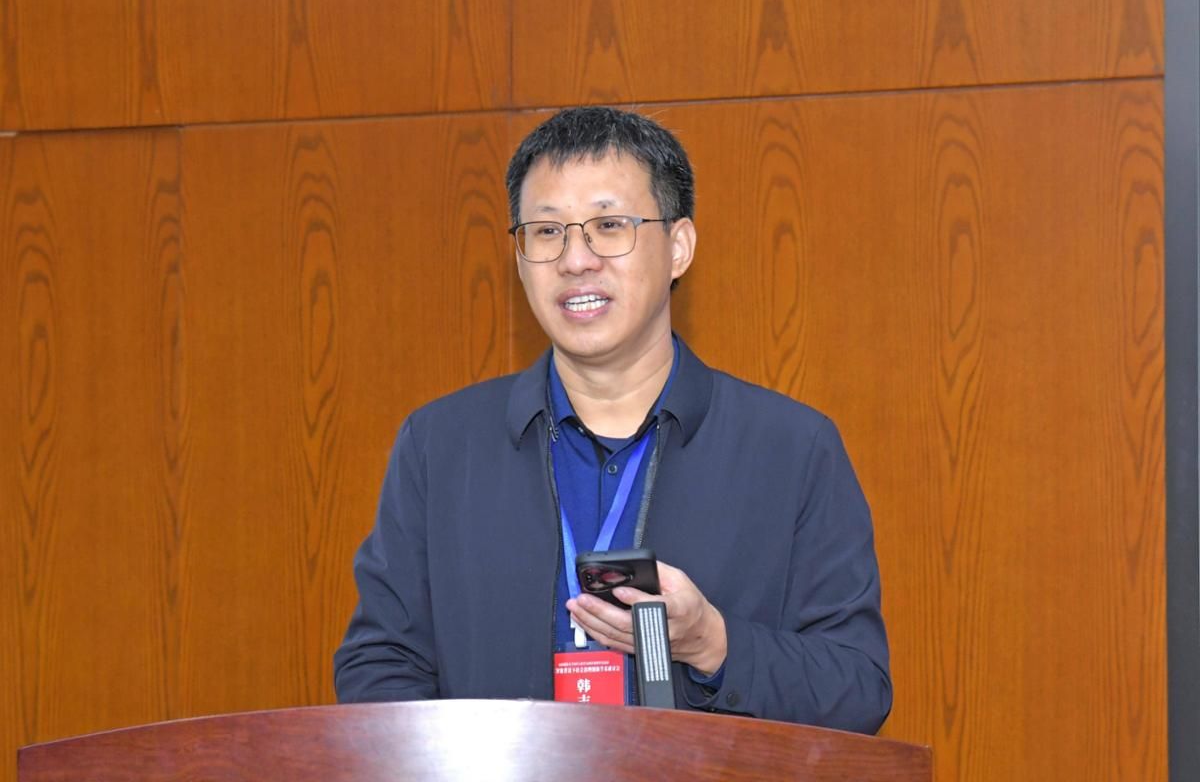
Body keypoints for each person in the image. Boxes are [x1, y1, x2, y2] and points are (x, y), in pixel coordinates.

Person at [333, 106, 891, 733]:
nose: (576, 259)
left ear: (678, 247)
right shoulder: (441, 446)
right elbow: (381, 666)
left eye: (608, 225)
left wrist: (712, 643)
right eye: (547, 232)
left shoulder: (791, 449)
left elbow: (857, 689)